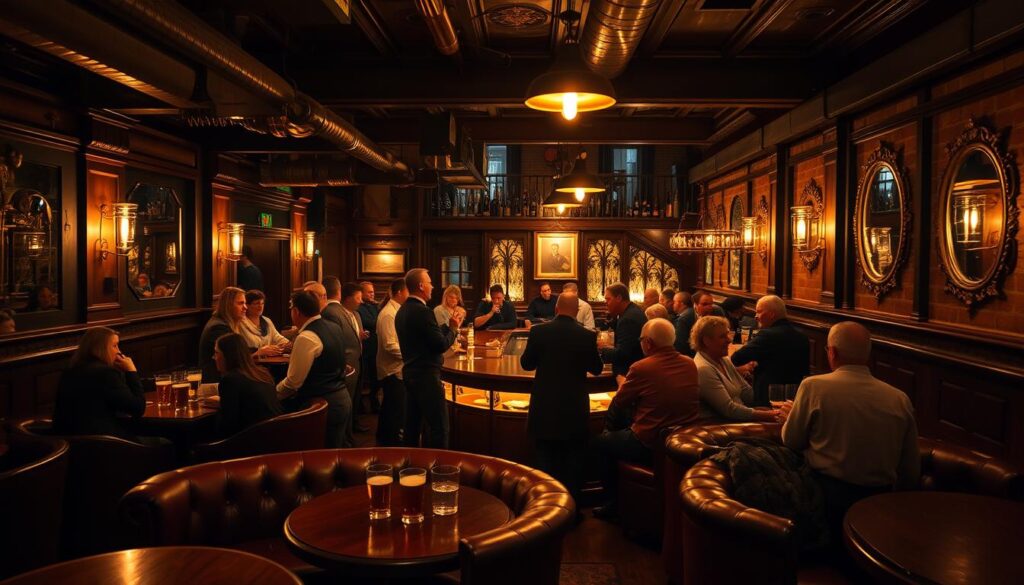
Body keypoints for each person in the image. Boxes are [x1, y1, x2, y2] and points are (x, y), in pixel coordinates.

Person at [780, 321, 920, 541]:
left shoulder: (814, 386)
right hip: (880, 502)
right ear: (867, 355)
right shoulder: (899, 398)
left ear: (832, 353)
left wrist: (790, 418)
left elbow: (791, 440)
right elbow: (910, 469)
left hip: (824, 500)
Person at [592, 318, 700, 518]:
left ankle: (612, 504)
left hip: (649, 442)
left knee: (600, 442)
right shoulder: (689, 363)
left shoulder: (642, 367)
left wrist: (622, 383)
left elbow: (621, 401)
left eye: (641, 340)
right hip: (682, 442)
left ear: (648, 342)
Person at [519, 292, 603, 499]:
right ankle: (571, 509)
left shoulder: (539, 332)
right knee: (573, 464)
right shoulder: (586, 336)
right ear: (577, 312)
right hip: (574, 408)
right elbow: (597, 369)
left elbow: (526, 364)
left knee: (544, 462)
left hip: (544, 407)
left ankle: (545, 507)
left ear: (556, 309)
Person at [395, 268, 464, 449]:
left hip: (410, 373)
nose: (432, 286)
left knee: (412, 427)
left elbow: (424, 337)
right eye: (429, 282)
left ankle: (410, 468)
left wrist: (446, 327)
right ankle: (440, 471)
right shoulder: (423, 311)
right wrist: (453, 328)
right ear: (420, 286)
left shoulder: (402, 311)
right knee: (439, 428)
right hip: (426, 376)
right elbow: (440, 345)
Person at [276, 290, 351, 448]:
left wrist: (273, 395)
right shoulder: (334, 327)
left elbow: (293, 383)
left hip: (321, 405)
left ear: (296, 311)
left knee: (321, 458)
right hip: (342, 398)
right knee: (333, 454)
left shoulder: (307, 337)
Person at [52, 327, 146, 442]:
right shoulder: (106, 373)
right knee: (163, 442)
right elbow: (138, 408)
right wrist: (131, 371)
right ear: (100, 349)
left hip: (69, 443)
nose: (119, 351)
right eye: (114, 346)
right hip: (103, 444)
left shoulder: (70, 370)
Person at [691, 316, 778, 422]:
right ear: (706, 341)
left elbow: (746, 391)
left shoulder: (724, 360)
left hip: (737, 419)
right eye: (723, 336)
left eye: (728, 334)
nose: (729, 340)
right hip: (718, 426)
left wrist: (771, 405)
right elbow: (729, 410)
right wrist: (769, 415)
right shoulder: (703, 369)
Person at [731, 295, 810, 407]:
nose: (756, 316)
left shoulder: (767, 335)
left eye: (759, 312)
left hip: (768, 397)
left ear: (771, 314)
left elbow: (736, 358)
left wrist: (752, 362)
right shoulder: (802, 336)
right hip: (795, 396)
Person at [213, 332, 283, 437]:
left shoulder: (230, 380)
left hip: (252, 442)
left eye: (217, 353)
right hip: (276, 435)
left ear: (227, 356)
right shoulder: (263, 373)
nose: (214, 357)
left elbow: (228, 425)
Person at [318, 278, 363, 436]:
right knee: (343, 410)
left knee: (349, 406)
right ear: (339, 292)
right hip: (344, 366)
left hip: (351, 364)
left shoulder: (343, 311)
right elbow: (334, 342)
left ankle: (348, 439)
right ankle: (345, 442)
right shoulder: (331, 312)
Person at [376, 277, 409, 446]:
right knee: (394, 410)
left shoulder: (397, 311)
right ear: (399, 292)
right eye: (407, 291)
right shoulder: (389, 314)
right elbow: (390, 346)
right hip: (392, 370)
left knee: (391, 409)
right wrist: (411, 353)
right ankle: (391, 446)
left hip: (396, 369)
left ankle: (385, 442)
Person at [599, 282, 647, 377]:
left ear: (619, 298)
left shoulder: (628, 319)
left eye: (608, 299)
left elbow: (623, 354)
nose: (605, 303)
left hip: (629, 374)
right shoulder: (631, 311)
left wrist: (602, 349)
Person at [198, 287, 246, 382]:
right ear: (228, 305)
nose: (245, 307)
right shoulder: (219, 328)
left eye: (245, 303)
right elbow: (235, 359)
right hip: (216, 383)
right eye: (240, 303)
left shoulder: (223, 322)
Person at [674, 290, 726, 356]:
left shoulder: (717, 311)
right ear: (695, 305)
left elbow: (724, 332)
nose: (709, 307)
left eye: (711, 304)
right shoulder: (685, 319)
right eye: (705, 304)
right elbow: (681, 346)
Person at [239, 289, 289, 357]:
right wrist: (260, 351)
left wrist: (287, 344)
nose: (260, 306)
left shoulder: (267, 321)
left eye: (262, 303)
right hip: (251, 362)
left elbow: (277, 338)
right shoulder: (240, 322)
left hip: (268, 361)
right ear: (247, 305)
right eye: (256, 303)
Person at [357, 281, 381, 414]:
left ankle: (374, 401)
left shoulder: (374, 306)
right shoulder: (358, 307)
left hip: (375, 348)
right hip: (364, 348)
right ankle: (360, 405)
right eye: (369, 292)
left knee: (375, 378)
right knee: (361, 378)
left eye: (373, 291)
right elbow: (370, 322)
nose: (373, 294)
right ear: (361, 293)